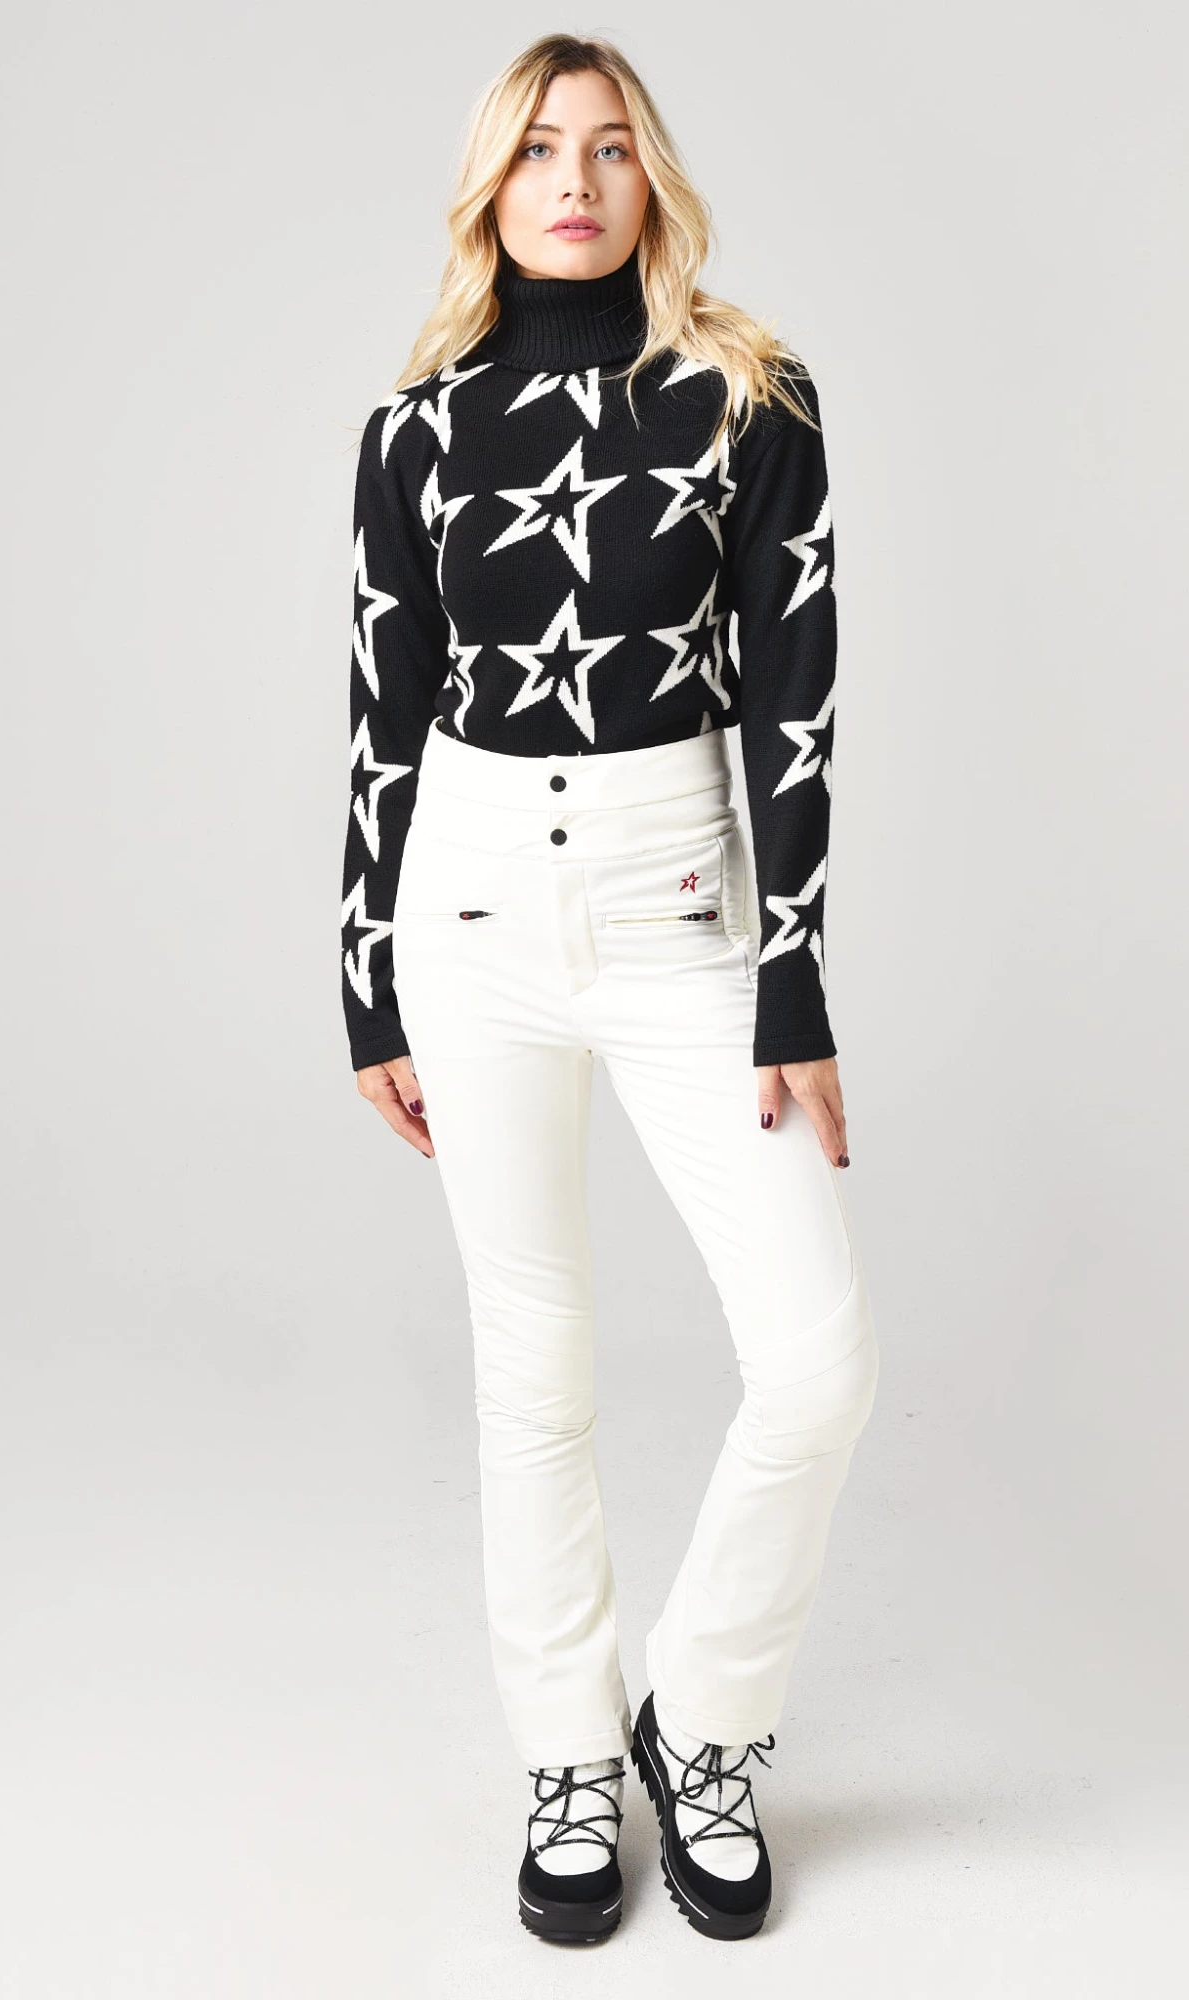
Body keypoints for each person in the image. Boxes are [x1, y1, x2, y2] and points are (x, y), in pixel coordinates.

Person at [340, 32, 879, 1946]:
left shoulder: (749, 396)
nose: (574, 182)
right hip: (472, 909)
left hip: (681, 904)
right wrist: (366, 981)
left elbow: (796, 701)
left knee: (816, 1362)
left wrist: (793, 982)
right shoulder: (416, 430)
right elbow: (385, 708)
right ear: (491, 185)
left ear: (655, 180)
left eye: (612, 148)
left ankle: (699, 1721)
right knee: (533, 1363)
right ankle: (569, 1761)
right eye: (539, 150)